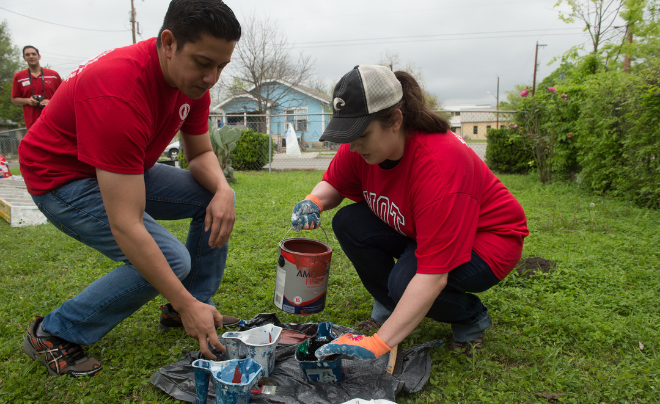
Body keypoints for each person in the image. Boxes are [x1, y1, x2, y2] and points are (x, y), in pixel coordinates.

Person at [18, 0, 241, 377]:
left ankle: (188, 307)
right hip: (61, 177)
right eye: (204, 63)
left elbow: (201, 152)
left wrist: (224, 190)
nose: (211, 79)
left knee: (209, 197)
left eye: (221, 66)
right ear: (168, 43)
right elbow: (126, 224)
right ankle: (54, 332)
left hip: (119, 167)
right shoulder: (118, 90)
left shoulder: (191, 84)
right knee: (171, 259)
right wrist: (181, 296)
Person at [290, 65, 529, 360]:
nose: (352, 146)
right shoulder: (364, 147)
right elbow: (334, 184)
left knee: (405, 284)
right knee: (349, 222)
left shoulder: (440, 166)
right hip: (421, 226)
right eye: (347, 135)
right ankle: (391, 306)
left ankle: (471, 318)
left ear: (395, 120)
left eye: (360, 134)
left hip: (489, 241)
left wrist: (379, 343)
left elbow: (432, 276)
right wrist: (314, 200)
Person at [11, 45, 62, 129]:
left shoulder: (53, 75)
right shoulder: (19, 76)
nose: (31, 56)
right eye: (27, 55)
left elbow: (64, 95)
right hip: (32, 123)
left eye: (33, 54)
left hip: (53, 119)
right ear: (24, 58)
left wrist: (51, 102)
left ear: (39, 56)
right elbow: (14, 99)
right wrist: (28, 101)